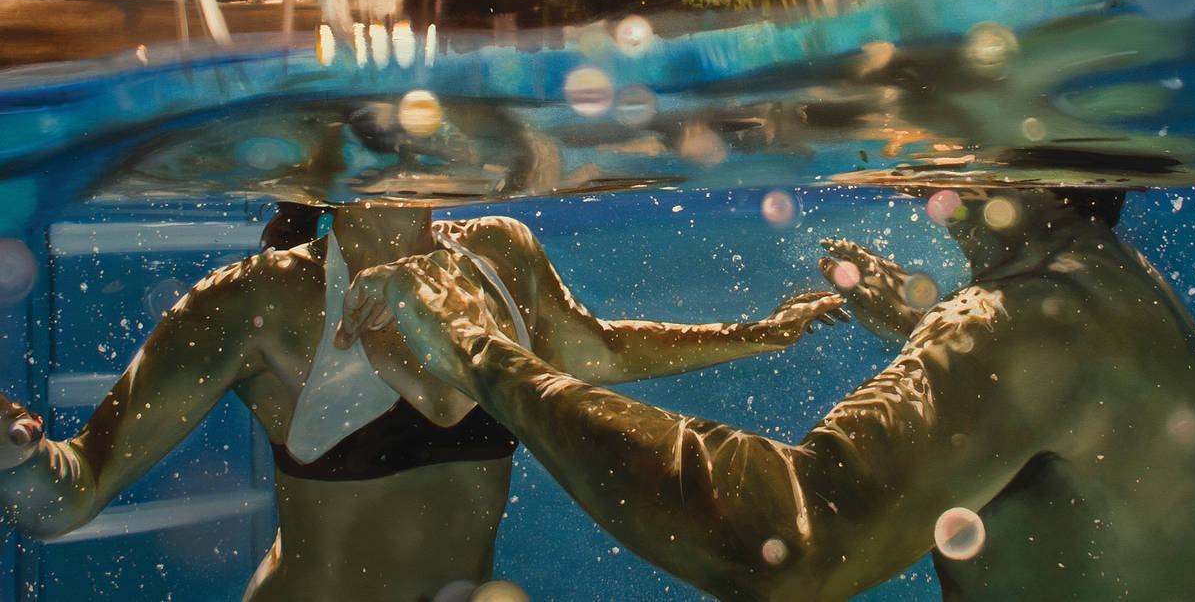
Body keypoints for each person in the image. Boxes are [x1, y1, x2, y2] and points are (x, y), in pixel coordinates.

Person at [339, 187, 1195, 601]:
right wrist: (924, 328)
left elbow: (784, 542)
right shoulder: (1107, 289)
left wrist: (480, 350)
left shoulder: (1029, 319)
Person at [0, 201, 847, 602]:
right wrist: (16, 459)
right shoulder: (253, 302)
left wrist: (759, 332)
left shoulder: (500, 253)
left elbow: (594, 351)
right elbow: (65, 496)